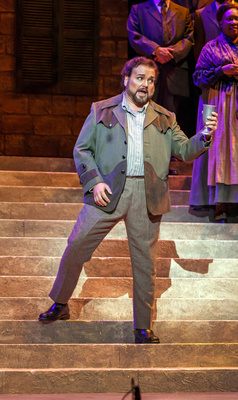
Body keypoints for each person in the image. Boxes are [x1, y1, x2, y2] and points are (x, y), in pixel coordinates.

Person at [37, 57, 218, 344]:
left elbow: (184, 150)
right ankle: (60, 303)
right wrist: (94, 181)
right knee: (77, 245)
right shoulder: (101, 110)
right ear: (126, 79)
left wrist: (205, 135)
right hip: (107, 190)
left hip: (147, 194)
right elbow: (82, 150)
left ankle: (142, 326)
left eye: (150, 80)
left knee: (145, 263)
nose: (145, 84)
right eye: (139, 78)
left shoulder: (165, 117)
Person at [189, 3, 238, 223]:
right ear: (221, 22)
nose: (234, 22)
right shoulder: (210, 48)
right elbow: (197, 78)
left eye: (237, 19)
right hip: (220, 104)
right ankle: (219, 204)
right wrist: (220, 71)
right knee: (220, 150)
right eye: (229, 19)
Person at [127, 0, 195, 133]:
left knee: (170, 116)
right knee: (143, 112)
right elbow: (134, 35)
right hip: (147, 69)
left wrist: (170, 53)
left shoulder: (183, 11)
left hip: (174, 70)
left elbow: (189, 39)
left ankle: (167, 151)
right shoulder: (138, 9)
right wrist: (155, 50)